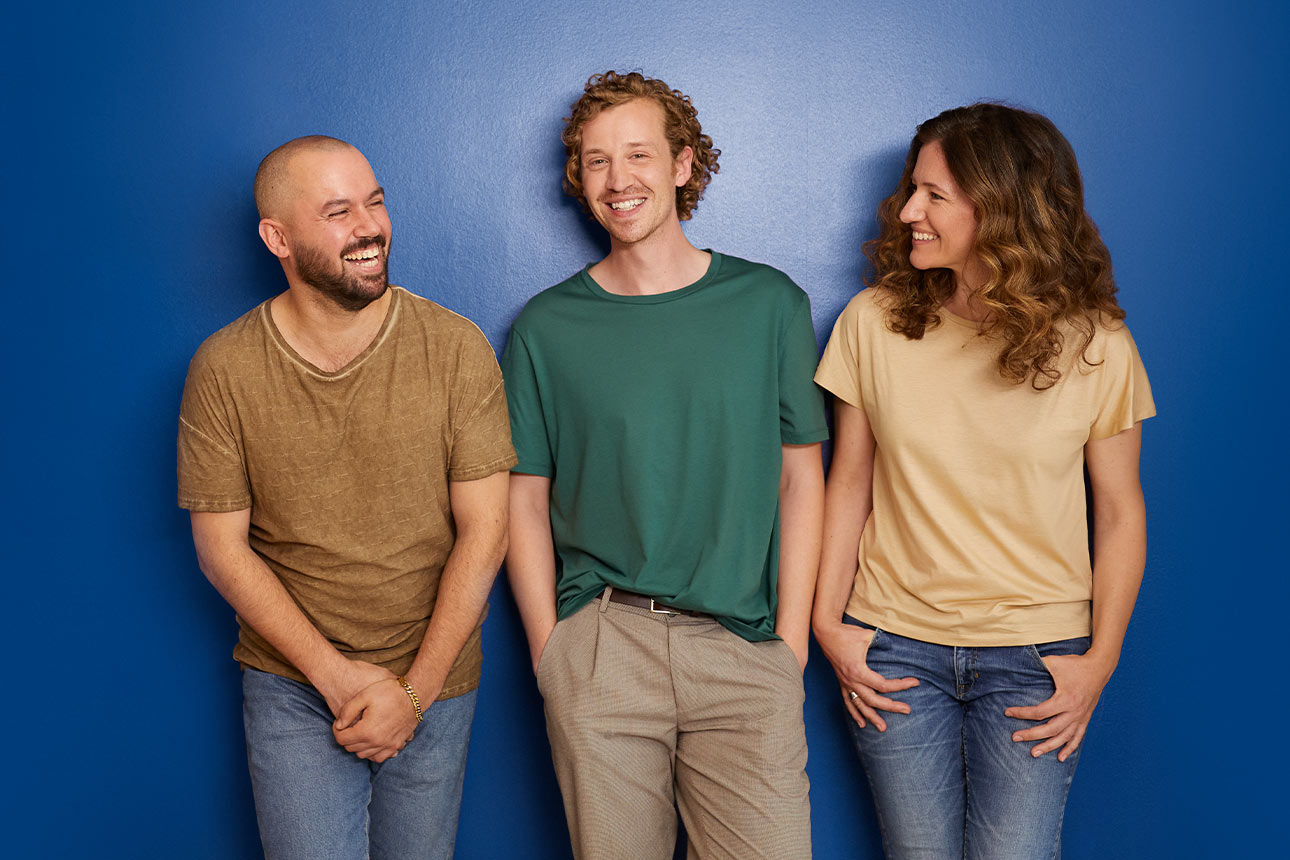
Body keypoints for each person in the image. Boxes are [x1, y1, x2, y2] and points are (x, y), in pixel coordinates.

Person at [812, 103, 1155, 859]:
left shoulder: (1097, 342)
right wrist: (829, 627)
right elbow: (848, 486)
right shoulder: (872, 323)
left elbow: (1122, 515)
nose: (909, 212)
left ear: (1003, 207)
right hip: (894, 650)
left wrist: (1100, 662)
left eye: (935, 195)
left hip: (1038, 656)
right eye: (913, 190)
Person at [502, 71, 827, 860]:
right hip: (603, 648)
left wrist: (790, 645)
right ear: (580, 179)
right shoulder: (546, 328)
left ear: (684, 165)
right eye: (596, 161)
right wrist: (554, 650)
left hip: (743, 647)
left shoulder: (769, 305)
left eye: (638, 155)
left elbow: (801, 479)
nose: (619, 181)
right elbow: (523, 498)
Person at [177, 135, 515, 859]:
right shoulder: (225, 368)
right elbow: (220, 551)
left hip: (437, 675)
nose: (369, 227)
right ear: (279, 238)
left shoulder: (456, 348)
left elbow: (487, 532)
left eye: (376, 201)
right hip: (294, 686)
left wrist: (413, 695)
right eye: (338, 211)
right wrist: (335, 679)